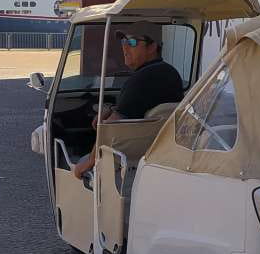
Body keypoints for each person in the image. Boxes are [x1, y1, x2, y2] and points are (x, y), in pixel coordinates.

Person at [72, 21, 182, 179]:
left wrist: (88, 162)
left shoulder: (140, 79)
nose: (124, 48)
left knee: (76, 162)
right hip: (160, 153)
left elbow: (111, 130)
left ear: (152, 47)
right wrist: (112, 110)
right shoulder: (172, 74)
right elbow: (137, 106)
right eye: (123, 42)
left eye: (132, 42)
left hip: (128, 159)